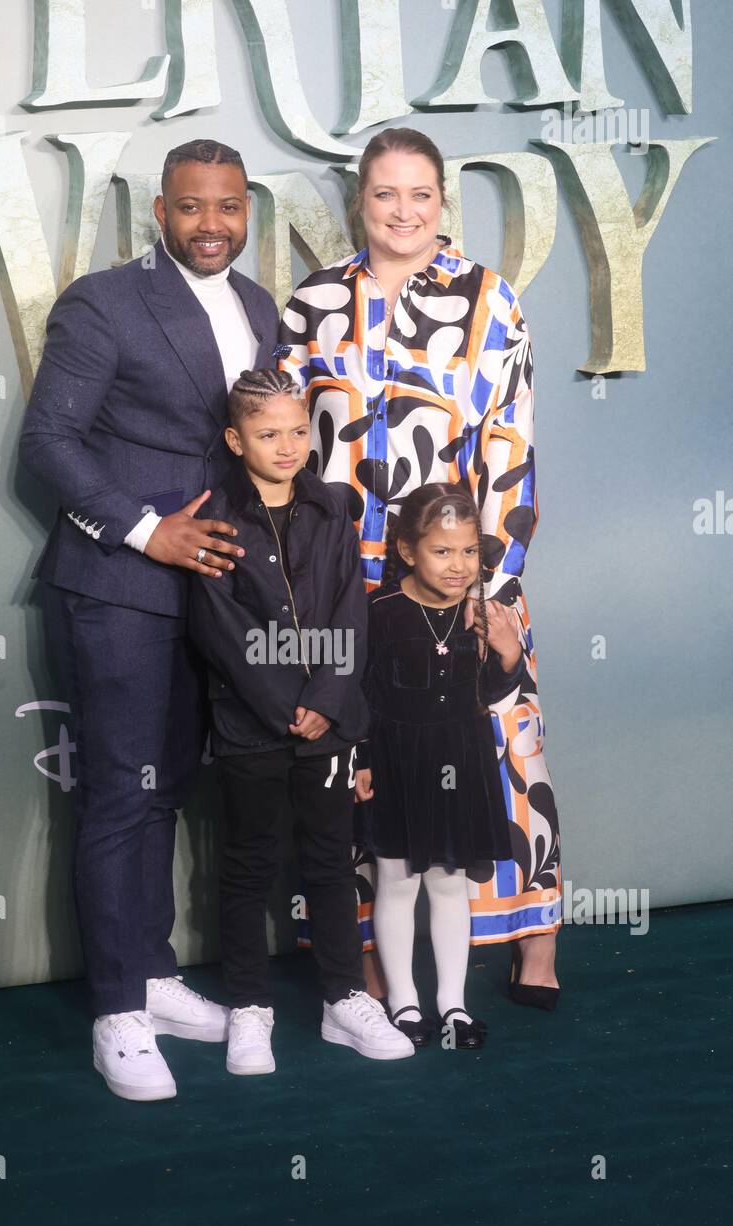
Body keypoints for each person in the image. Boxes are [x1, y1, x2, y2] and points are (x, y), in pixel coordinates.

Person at [19, 140, 280, 1103]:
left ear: (246, 208)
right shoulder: (105, 300)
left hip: (209, 593)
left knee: (166, 786)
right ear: (160, 214)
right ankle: (116, 1015)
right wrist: (142, 531)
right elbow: (47, 438)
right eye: (190, 208)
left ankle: (155, 976)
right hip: (117, 583)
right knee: (119, 801)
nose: (211, 224)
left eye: (228, 207)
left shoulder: (260, 308)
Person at [277, 125, 562, 1008]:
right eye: (385, 194)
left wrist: (494, 580)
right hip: (345, 577)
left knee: (502, 742)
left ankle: (532, 937)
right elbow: (282, 443)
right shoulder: (313, 302)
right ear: (359, 201)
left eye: (422, 195)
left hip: (457, 568)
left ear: (443, 202)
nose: (404, 211)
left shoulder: (490, 299)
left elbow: (509, 444)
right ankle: (371, 955)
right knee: (365, 759)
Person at [187, 370, 414, 1073]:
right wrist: (289, 706)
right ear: (235, 439)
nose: (286, 446)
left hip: (332, 725)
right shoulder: (215, 516)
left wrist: (329, 698)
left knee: (329, 862)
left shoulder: (331, 509)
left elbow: (352, 608)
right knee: (249, 866)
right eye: (266, 434)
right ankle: (250, 1008)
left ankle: (345, 999)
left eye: (295, 431)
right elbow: (218, 628)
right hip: (251, 728)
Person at [355, 483, 526, 1049]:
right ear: (408, 551)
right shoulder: (379, 611)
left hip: (463, 757)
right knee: (397, 883)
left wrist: (508, 652)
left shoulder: (486, 612)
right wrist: (360, 760)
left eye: (470, 551)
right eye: (443, 552)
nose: (459, 566)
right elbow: (358, 693)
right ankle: (403, 1002)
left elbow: (494, 693)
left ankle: (451, 1003)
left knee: (450, 885)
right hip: (398, 761)